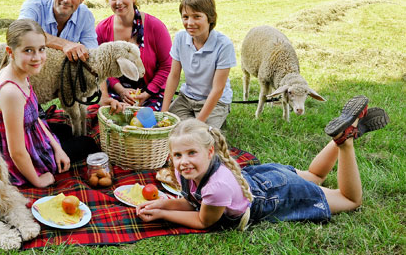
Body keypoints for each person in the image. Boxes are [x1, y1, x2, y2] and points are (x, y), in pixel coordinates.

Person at [136, 96, 390, 230]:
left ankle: (345, 142)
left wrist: (162, 214)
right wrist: (162, 203)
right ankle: (341, 135)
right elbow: (193, 202)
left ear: (210, 151)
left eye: (191, 153)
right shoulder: (187, 172)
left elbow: (203, 220)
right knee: (314, 176)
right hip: (267, 177)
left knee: (349, 200)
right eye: (178, 155)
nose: (183, 162)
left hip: (279, 194)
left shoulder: (217, 187)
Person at [0, 19, 98, 187]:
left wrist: (57, 148)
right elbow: (16, 152)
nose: (37, 57)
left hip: (30, 132)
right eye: (28, 50)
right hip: (20, 155)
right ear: (11, 51)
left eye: (41, 49)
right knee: (88, 143)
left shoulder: (19, 71)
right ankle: (40, 168)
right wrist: (37, 180)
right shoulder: (11, 92)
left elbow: (33, 116)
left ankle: (58, 147)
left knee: (67, 131)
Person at [96, 0, 172, 112]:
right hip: (117, 92)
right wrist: (121, 91)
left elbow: (167, 65)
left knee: (145, 121)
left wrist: (147, 93)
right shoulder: (102, 29)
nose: (118, 2)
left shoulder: (155, 26)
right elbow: (103, 68)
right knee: (102, 116)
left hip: (151, 92)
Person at [161, 0, 235, 129]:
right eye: (185, 17)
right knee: (168, 129)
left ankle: (211, 117)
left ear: (210, 18)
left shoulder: (224, 45)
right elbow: (174, 75)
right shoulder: (180, 38)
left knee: (200, 137)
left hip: (215, 101)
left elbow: (218, 89)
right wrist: (164, 112)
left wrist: (199, 122)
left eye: (197, 17)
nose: (190, 23)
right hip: (187, 98)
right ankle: (200, 120)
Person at [18, 0, 98, 62]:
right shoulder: (34, 5)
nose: (66, 0)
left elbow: (92, 52)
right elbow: (21, 31)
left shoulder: (85, 15)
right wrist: (65, 44)